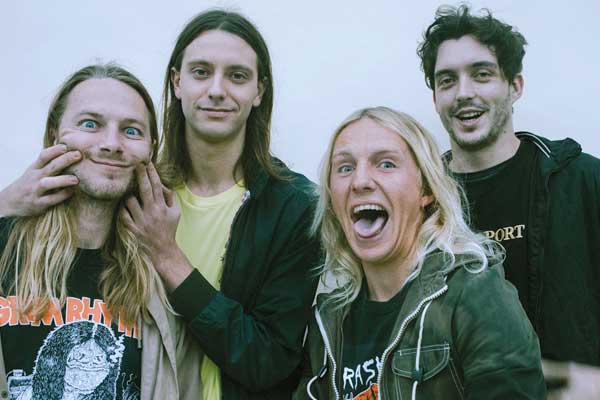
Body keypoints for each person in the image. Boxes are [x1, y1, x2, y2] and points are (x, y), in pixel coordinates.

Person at [120, 10, 321, 400]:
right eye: (201, 72)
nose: (216, 90)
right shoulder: (139, 192)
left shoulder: (295, 207)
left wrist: (168, 257)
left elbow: (269, 360)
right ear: (177, 82)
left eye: (237, 76)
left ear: (259, 91)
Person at [293, 106, 546, 399]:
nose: (360, 181)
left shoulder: (476, 295)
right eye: (345, 168)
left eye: (386, 164)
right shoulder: (328, 318)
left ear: (426, 190)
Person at [0, 64, 201, 400]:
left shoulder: (161, 284)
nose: (111, 144)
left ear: (150, 149)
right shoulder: (5, 247)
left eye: (131, 131)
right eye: (90, 124)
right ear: (54, 135)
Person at [417, 5, 600, 369]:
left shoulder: (582, 181)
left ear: (515, 86)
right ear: (436, 98)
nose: (463, 93)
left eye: (482, 75)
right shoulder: (418, 201)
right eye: (447, 80)